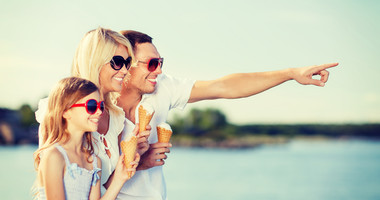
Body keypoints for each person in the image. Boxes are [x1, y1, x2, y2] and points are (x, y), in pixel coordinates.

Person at [116, 30, 339, 200]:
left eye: (161, 63)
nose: (159, 71)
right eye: (152, 64)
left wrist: (290, 74)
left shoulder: (162, 87)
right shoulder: (96, 103)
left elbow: (225, 86)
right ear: (126, 65)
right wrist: (140, 163)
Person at [35, 27, 150, 195]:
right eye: (118, 62)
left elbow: (100, 185)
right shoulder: (55, 108)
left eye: (127, 63)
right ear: (95, 61)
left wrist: (133, 157)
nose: (125, 71)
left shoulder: (117, 118)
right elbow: (47, 182)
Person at [33, 77, 139, 199]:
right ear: (66, 111)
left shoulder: (94, 161)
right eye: (92, 106)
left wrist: (120, 178)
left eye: (101, 106)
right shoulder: (55, 156)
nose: (99, 112)